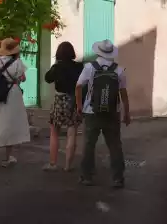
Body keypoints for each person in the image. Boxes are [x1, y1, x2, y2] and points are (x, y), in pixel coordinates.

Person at [75, 39, 130, 188]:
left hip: (91, 111)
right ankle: (118, 178)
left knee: (88, 144)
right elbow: (123, 93)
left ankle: (87, 176)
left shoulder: (89, 67)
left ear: (98, 51)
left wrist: (79, 106)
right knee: (114, 145)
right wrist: (126, 112)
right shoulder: (119, 70)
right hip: (113, 113)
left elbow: (79, 86)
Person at [0, 38, 30, 167]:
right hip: (11, 94)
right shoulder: (18, 63)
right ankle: (7, 158)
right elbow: (23, 79)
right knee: (10, 124)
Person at [43, 41, 84, 172]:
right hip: (74, 101)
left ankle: (53, 163)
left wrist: (55, 66)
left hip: (59, 101)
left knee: (54, 132)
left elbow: (47, 78)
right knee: (72, 133)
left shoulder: (57, 67)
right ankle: (67, 165)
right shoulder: (79, 67)